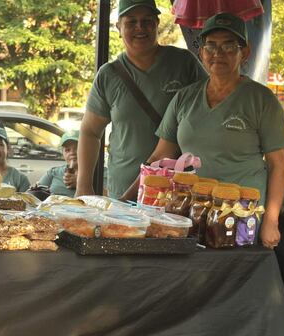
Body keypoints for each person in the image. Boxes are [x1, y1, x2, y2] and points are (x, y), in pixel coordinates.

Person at [142, 12, 284, 336]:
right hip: (193, 215)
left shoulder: (261, 100)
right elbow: (162, 153)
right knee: (206, 293)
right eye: (210, 46)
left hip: (244, 220)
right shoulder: (185, 98)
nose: (218, 53)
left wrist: (271, 220)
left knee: (244, 299)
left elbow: (279, 165)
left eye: (229, 46)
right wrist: (134, 195)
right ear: (200, 50)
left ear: (245, 51)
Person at [76, 0, 206, 199]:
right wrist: (83, 186)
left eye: (147, 21)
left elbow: (210, 109)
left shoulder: (183, 63)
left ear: (157, 23)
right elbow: (90, 131)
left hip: (176, 190)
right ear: (119, 27)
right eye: (131, 22)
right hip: (123, 192)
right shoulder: (108, 75)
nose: (140, 28)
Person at [36, 131, 79, 197]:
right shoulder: (53, 172)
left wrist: (80, 183)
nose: (72, 153)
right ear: (63, 153)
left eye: (77, 148)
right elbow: (35, 194)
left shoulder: (95, 175)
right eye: (67, 150)